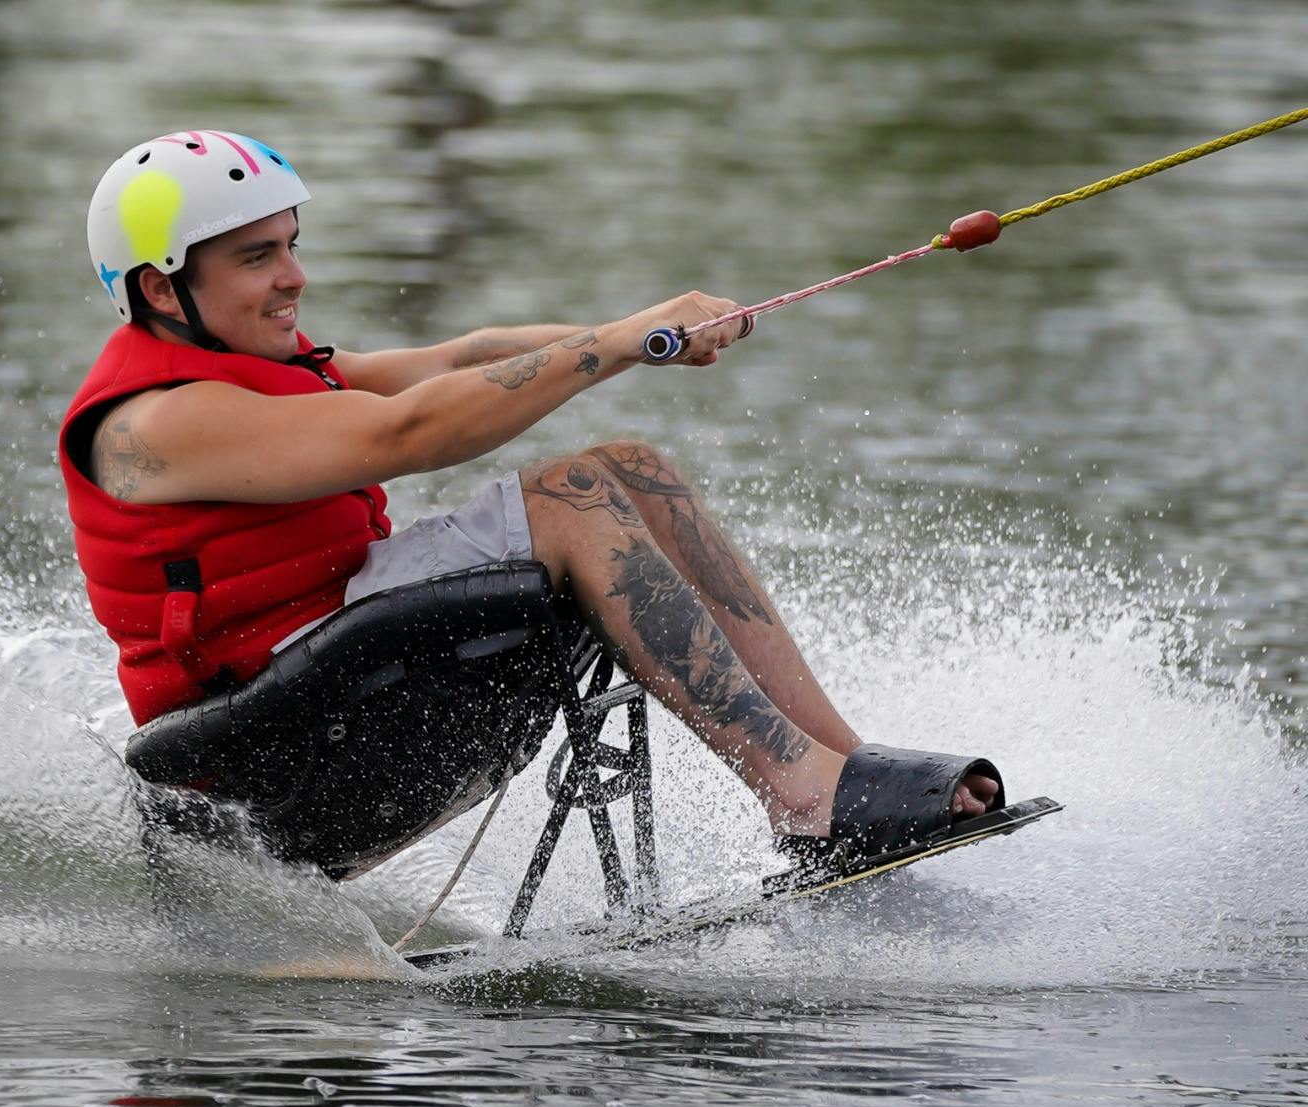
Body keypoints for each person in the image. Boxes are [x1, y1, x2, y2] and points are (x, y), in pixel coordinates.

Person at [62, 129, 998, 865]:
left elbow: (455, 361)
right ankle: (803, 800)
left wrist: (654, 332)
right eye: (258, 258)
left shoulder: (254, 366)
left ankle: (841, 770)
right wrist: (624, 341)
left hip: (342, 671)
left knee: (632, 465)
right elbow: (411, 431)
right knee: (572, 494)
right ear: (161, 286)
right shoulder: (152, 427)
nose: (295, 276)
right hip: (265, 744)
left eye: (293, 248)